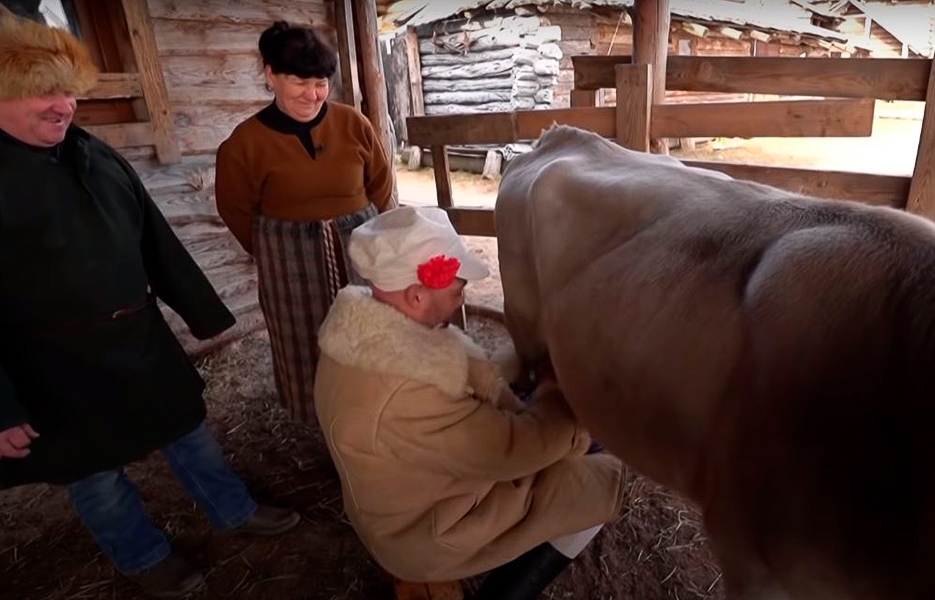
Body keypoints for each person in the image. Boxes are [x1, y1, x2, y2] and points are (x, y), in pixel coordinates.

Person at [0, 8, 299, 598]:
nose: (64, 106)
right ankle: (142, 555)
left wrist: (201, 312)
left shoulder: (93, 155)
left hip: (138, 337)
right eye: (43, 93)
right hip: (52, 365)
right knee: (96, 471)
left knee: (188, 430)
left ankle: (234, 510)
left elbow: (154, 240)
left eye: (69, 92)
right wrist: (1, 407)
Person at [314, 206, 626, 599]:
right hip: (425, 534)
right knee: (595, 481)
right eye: (458, 290)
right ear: (416, 296)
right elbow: (515, 451)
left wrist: (505, 382)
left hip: (402, 508)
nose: (463, 296)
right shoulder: (410, 391)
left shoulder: (358, 334)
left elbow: (460, 378)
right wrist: (553, 396)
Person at [215, 20, 396, 425]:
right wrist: (277, 248)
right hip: (290, 261)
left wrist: (363, 233)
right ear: (271, 76)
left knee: (371, 332)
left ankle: (380, 413)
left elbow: (380, 185)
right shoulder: (245, 144)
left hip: (358, 250)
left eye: (320, 83)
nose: (312, 94)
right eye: (299, 82)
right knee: (305, 342)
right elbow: (236, 209)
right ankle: (323, 421)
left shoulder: (353, 124)